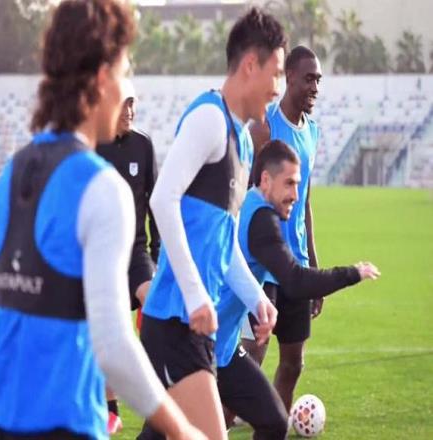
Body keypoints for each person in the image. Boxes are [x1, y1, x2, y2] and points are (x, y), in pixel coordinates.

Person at [0, 1, 206, 439]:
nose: (127, 88)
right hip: (67, 425)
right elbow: (112, 343)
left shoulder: (12, 173)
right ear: (102, 78)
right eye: (125, 71)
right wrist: (183, 430)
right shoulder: (102, 188)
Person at [138, 8, 287, 440]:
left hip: (198, 328)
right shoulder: (208, 119)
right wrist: (194, 293)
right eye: (276, 73)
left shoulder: (243, 142)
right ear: (250, 65)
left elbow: (225, 245)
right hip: (174, 323)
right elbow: (162, 199)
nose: (277, 88)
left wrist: (256, 298)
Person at [216, 140, 380, 438]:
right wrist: (352, 273)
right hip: (196, 343)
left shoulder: (250, 204)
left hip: (222, 348)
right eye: (289, 183)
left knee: (274, 421)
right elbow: (295, 280)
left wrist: (259, 303)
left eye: (298, 184)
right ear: (266, 180)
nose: (296, 194)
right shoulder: (261, 219)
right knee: (173, 430)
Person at [244, 45, 324, 413]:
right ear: (289, 77)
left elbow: (304, 200)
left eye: (318, 80)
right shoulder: (264, 127)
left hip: (297, 263)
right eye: (309, 79)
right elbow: (246, 195)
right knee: (251, 355)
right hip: (264, 262)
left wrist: (314, 266)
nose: (315, 87)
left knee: (293, 363)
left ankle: (271, 426)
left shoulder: (313, 132)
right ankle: (219, 422)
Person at [96, 95, 159, 434]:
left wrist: (157, 253)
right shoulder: (93, 146)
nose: (130, 111)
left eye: (133, 104)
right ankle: (111, 409)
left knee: (156, 301)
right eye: (123, 104)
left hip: (135, 251)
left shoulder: (143, 145)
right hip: (103, 253)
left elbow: (156, 202)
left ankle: (161, 382)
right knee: (110, 329)